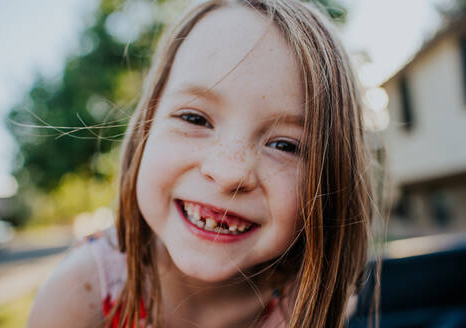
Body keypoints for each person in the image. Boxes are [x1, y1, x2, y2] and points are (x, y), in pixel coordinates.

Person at [28, 0, 375, 327]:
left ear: (332, 179)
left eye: (284, 145)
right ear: (146, 127)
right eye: (195, 119)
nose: (229, 173)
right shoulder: (76, 300)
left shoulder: (317, 301)